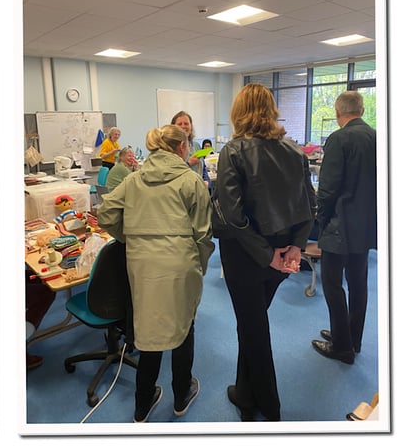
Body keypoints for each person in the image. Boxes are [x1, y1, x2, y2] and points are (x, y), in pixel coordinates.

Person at [212, 83, 315, 421]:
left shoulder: (234, 151)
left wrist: (266, 254)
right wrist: (294, 248)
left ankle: (270, 411)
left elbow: (232, 215)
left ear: (238, 112)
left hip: (247, 257)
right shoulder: (294, 150)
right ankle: (244, 392)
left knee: (253, 328)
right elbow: (309, 206)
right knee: (251, 324)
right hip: (280, 255)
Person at [98, 125, 214, 423]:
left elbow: (106, 213)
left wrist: (131, 237)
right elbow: (203, 235)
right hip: (180, 263)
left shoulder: (134, 179)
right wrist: (197, 266)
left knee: (149, 331)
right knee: (183, 327)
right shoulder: (191, 182)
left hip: (143, 264)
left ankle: (142, 403)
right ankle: (180, 395)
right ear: (181, 148)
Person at [312, 91, 376, 364]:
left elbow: (327, 189)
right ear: (361, 110)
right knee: (358, 284)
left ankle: (341, 346)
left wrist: (321, 220)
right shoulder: (377, 137)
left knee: (332, 283)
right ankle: (353, 337)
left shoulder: (339, 138)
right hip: (367, 225)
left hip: (340, 226)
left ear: (338, 113)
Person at [171, 111, 210, 188]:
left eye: (186, 123)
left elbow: (203, 168)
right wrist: (189, 164)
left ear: (191, 126)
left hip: (200, 190)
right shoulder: (171, 149)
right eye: (179, 124)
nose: (183, 126)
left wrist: (207, 182)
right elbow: (171, 173)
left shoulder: (196, 145)